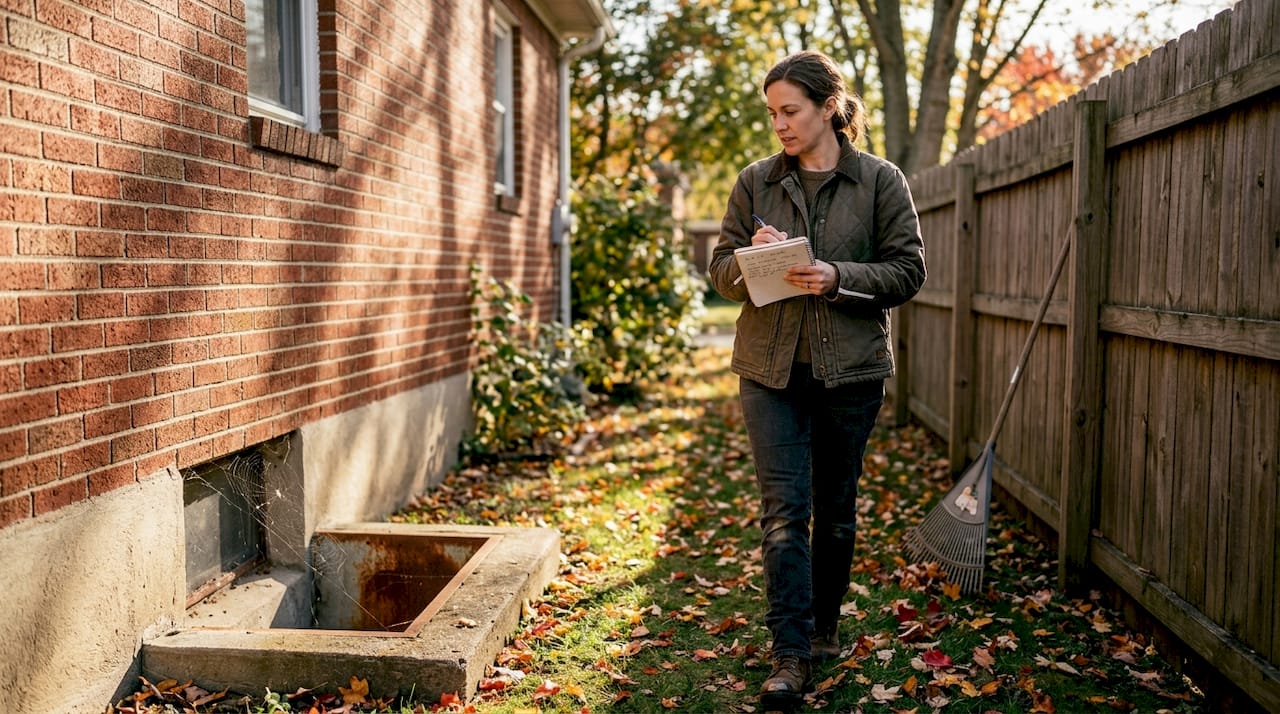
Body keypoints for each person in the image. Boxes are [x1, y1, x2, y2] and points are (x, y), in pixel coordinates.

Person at [706, 50, 926, 711]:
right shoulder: (756, 182)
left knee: (833, 517)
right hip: (769, 372)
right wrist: (754, 260)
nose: (779, 124)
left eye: (790, 111)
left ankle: (824, 627)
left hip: (850, 374)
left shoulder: (881, 181)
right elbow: (718, 270)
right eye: (772, 113)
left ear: (829, 107)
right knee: (783, 516)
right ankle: (791, 655)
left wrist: (837, 276)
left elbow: (908, 271)